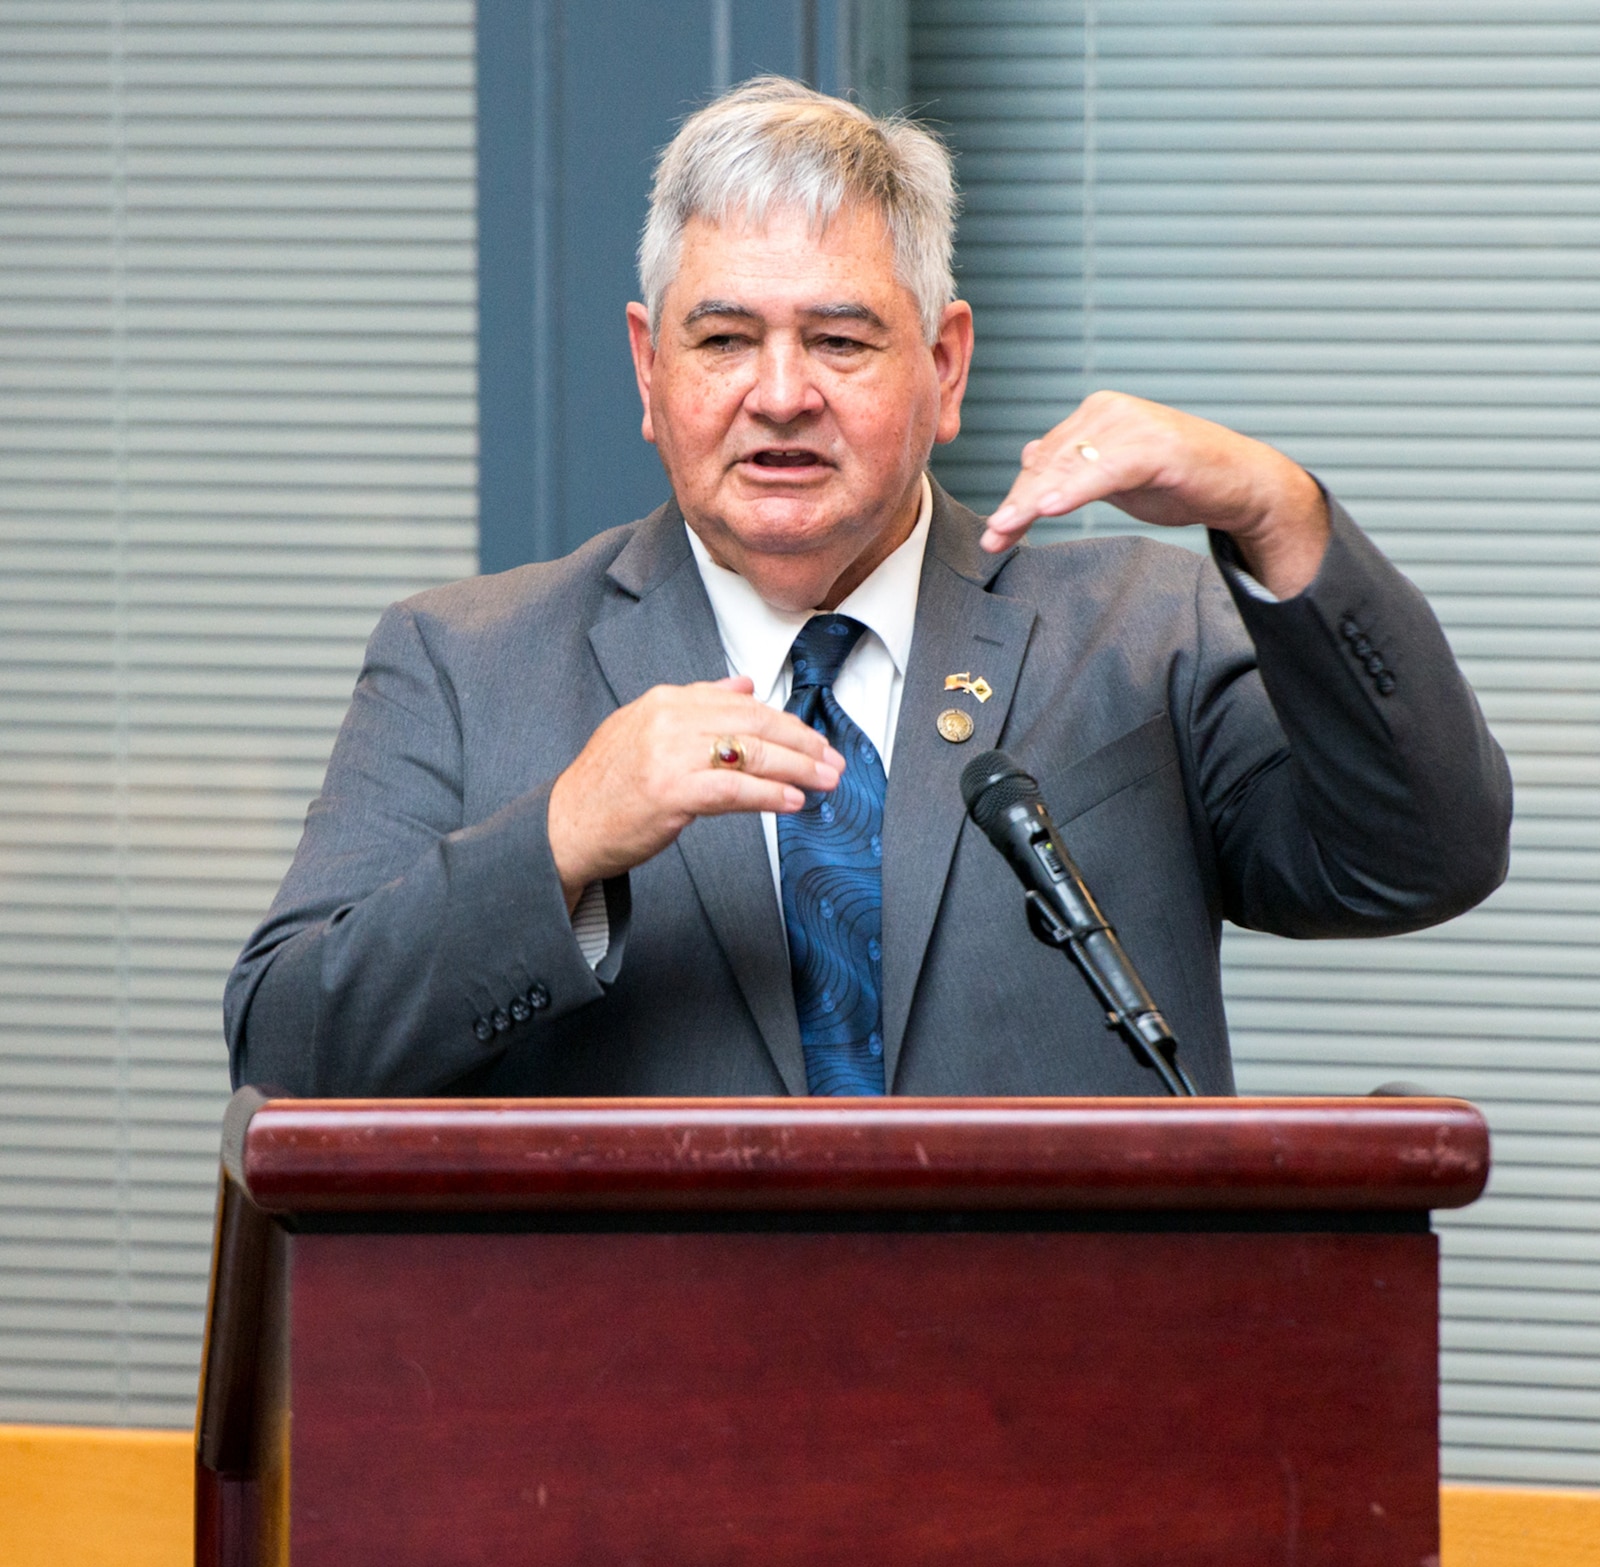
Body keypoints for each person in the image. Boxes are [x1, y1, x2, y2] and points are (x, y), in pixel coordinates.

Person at [225, 77, 1511, 1100]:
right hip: (636, 1404)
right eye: (724, 339)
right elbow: (289, 1041)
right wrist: (561, 837)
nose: (780, 393)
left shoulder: (1136, 632)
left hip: (1059, 1395)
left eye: (840, 340)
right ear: (646, 367)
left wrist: (1273, 512)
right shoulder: (463, 663)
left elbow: (1421, 858)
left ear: (944, 367)